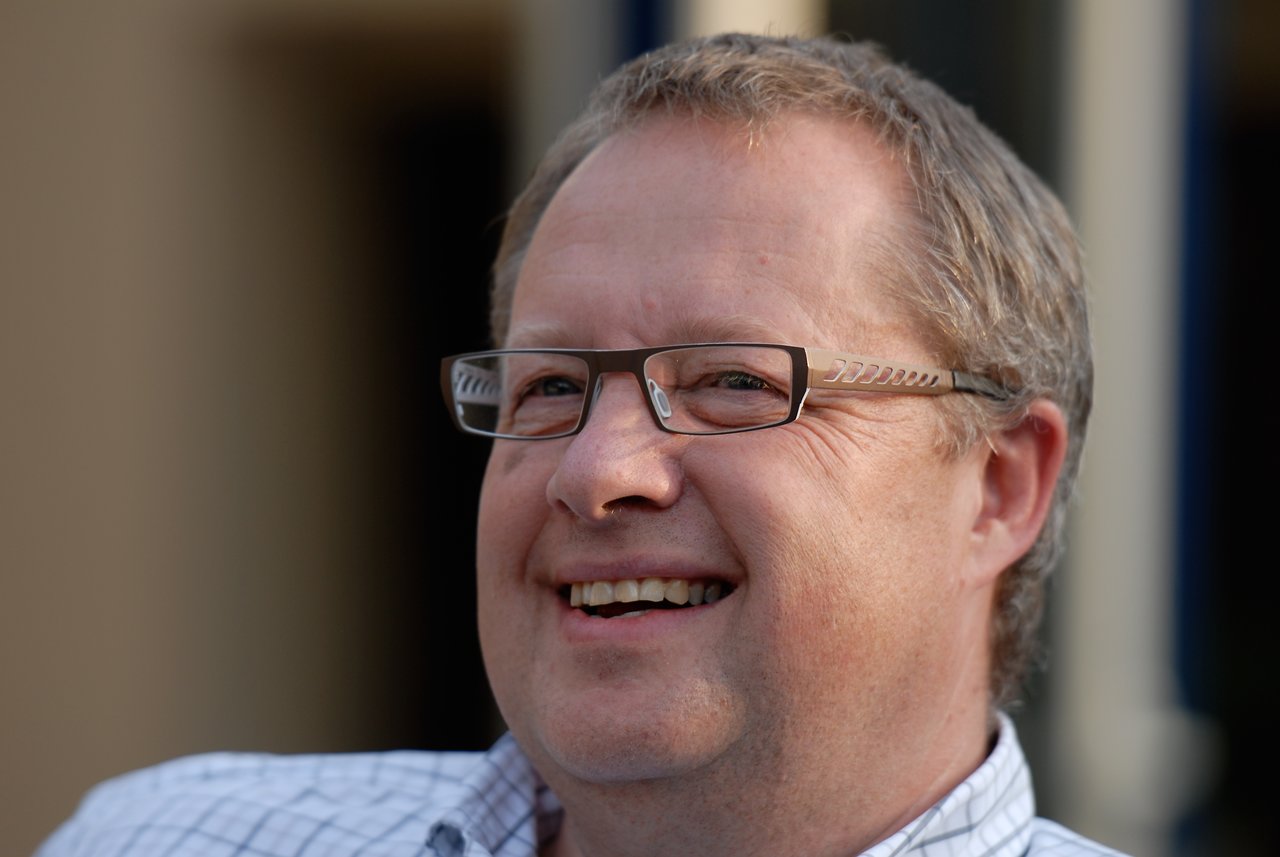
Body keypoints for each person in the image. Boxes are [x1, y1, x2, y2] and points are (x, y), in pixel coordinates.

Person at [37, 33, 1124, 857]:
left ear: (995, 483)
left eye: (731, 383)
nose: (595, 470)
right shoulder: (161, 833)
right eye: (551, 384)